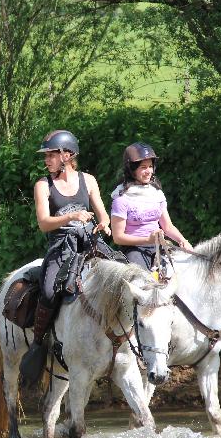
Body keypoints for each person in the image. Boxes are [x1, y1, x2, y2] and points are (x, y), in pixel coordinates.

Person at [20, 129, 113, 381]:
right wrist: (71, 216)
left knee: (120, 275)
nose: (46, 160)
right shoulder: (43, 185)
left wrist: (104, 224)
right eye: (46, 155)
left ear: (67, 155)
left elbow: (102, 213)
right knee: (49, 291)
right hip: (61, 246)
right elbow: (44, 223)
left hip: (89, 242)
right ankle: (39, 342)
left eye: (51, 154)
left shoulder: (89, 180)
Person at [110, 143, 192, 274]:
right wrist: (148, 239)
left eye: (150, 166)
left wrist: (183, 241)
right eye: (143, 167)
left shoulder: (156, 193)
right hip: (134, 250)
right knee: (142, 282)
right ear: (132, 169)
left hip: (159, 246)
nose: (149, 171)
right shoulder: (121, 199)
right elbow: (118, 237)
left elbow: (168, 227)